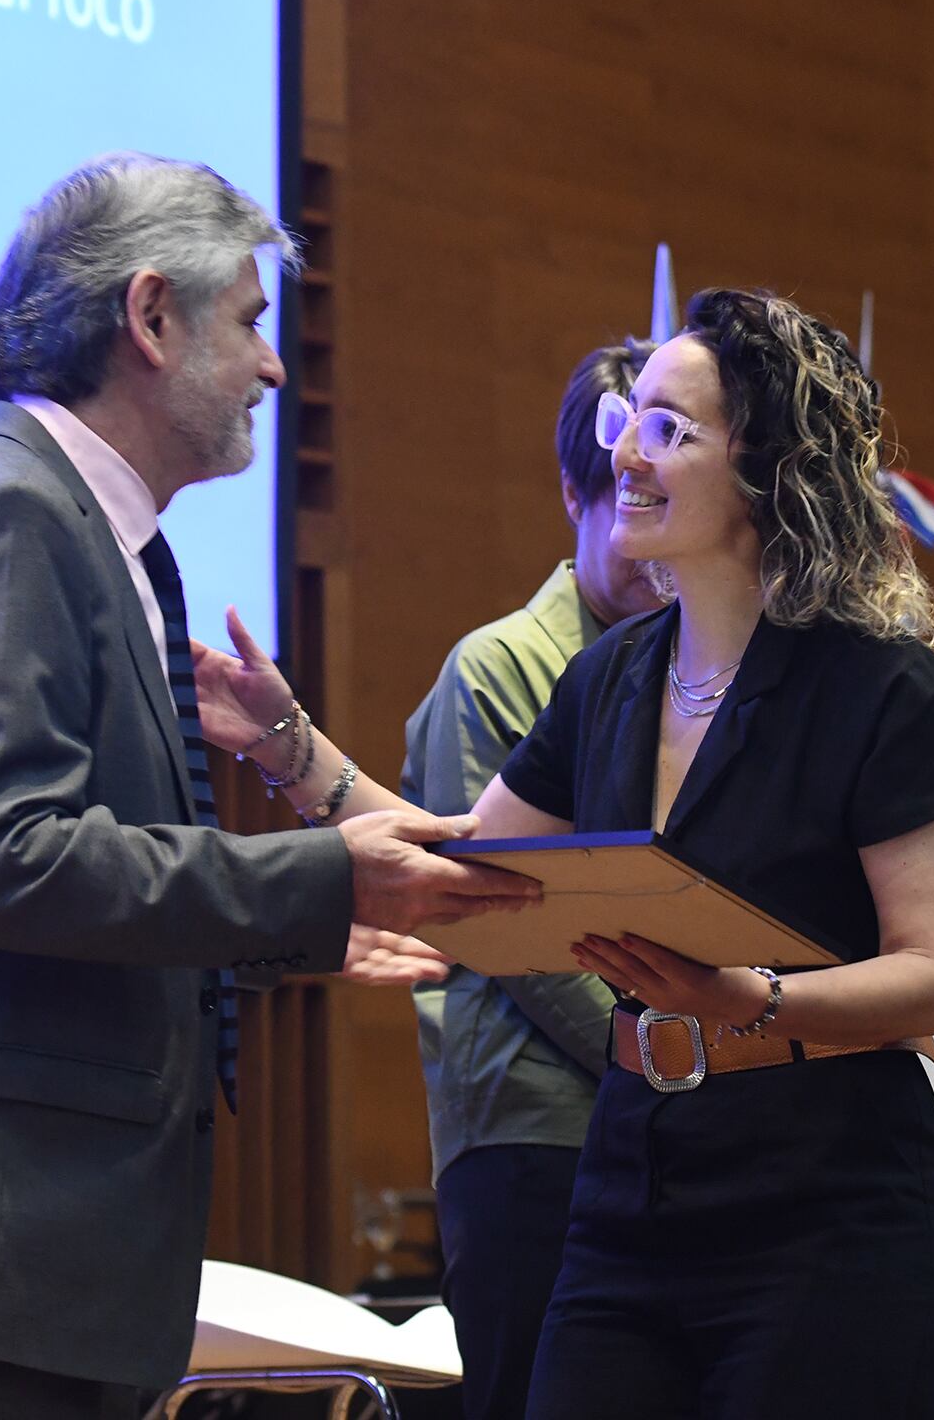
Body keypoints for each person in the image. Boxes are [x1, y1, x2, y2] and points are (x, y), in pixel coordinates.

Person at [0, 153, 536, 1420]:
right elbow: (5, 860)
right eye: (250, 320)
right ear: (151, 317)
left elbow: (49, 885)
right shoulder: (8, 518)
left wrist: (298, 925)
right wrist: (324, 872)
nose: (275, 366)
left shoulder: (32, 513)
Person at [193, 288, 934, 1419]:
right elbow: (468, 873)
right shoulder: (607, 677)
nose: (628, 454)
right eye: (627, 423)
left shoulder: (883, 687)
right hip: (632, 1181)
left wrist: (748, 1001)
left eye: (671, 429)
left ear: (766, 470)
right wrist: (288, 744)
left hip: (832, 1199)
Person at [401, 338, 663, 1420]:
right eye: (626, 509)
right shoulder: (500, 665)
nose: (651, 546)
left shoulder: (696, 669)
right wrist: (678, 1057)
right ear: (572, 494)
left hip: (665, 1112)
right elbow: (514, 926)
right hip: (536, 1126)